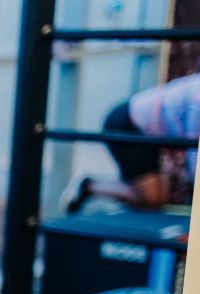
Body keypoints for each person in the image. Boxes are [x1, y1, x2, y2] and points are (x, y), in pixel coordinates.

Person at [61, 72, 199, 213]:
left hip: (146, 133)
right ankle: (89, 186)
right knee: (153, 199)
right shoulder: (197, 99)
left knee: (157, 197)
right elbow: (195, 159)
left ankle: (94, 188)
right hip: (127, 124)